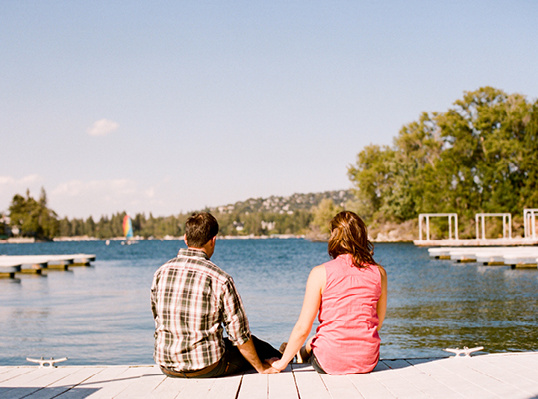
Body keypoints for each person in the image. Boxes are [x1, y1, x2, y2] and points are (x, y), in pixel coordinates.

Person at [151, 212, 281, 378]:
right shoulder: (220, 279)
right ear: (213, 240)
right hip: (207, 367)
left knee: (237, 344)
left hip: (166, 365)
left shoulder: (161, 273)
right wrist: (261, 368)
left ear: (185, 238)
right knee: (255, 345)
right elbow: (239, 335)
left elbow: (158, 317)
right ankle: (286, 358)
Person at [271, 211, 387, 375]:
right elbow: (377, 323)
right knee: (315, 340)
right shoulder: (379, 273)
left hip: (329, 362)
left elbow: (303, 327)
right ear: (362, 236)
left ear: (334, 236)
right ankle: (303, 351)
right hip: (368, 361)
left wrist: (281, 363)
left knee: (315, 340)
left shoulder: (320, 273)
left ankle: (299, 354)